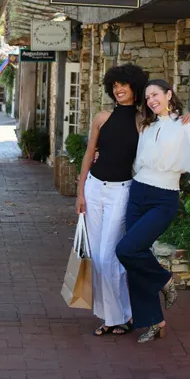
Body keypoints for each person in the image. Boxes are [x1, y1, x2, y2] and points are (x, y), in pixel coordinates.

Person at [116, 79, 190, 344]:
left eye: (155, 94)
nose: (151, 100)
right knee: (135, 256)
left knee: (126, 249)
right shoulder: (147, 125)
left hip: (163, 197)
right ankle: (154, 321)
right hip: (138, 193)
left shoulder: (184, 126)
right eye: (147, 97)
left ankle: (164, 280)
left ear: (169, 95)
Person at [75, 64, 149, 336]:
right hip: (94, 189)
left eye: (124, 85)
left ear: (135, 88)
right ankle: (110, 317)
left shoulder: (143, 122)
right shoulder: (102, 118)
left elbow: (169, 121)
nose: (119, 89)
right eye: (115, 85)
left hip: (121, 191)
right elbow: (88, 154)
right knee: (96, 257)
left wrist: (186, 116)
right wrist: (80, 192)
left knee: (109, 257)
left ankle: (122, 314)